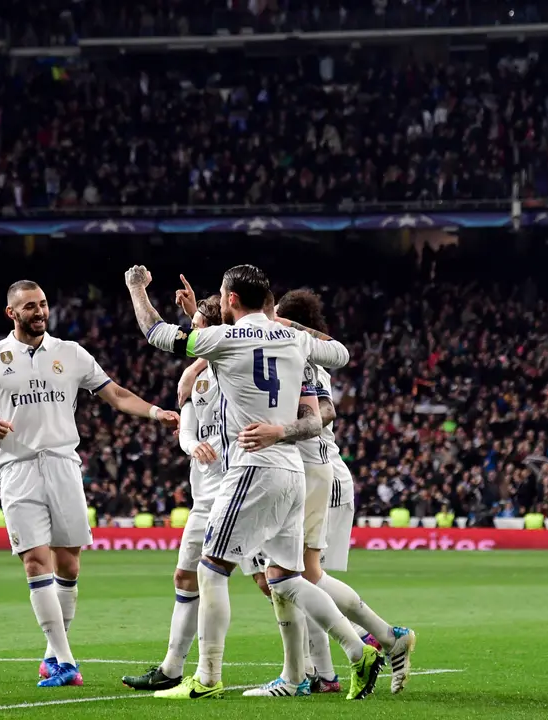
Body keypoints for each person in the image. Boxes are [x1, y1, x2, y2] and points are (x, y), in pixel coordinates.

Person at [125, 263, 379, 702]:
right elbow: (340, 353)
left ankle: (206, 678)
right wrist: (280, 320)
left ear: (230, 301)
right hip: (291, 470)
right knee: (284, 578)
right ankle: (359, 650)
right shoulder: (295, 337)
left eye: (224, 296)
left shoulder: (223, 340)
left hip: (251, 467)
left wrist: (136, 290)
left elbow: (156, 332)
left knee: (211, 567)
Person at [0, 279, 179, 688]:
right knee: (35, 561)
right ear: (12, 313)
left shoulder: (71, 353)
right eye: (29, 306)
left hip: (63, 464)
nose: (39, 311)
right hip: (18, 468)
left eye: (43, 304)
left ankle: (51, 655)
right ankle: (65, 661)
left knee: (69, 563)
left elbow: (114, 394)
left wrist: (155, 413)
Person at [274, 288, 416, 697]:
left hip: (314, 471)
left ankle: (377, 640)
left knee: (301, 576)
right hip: (319, 471)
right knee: (302, 577)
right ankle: (330, 669)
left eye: (278, 316)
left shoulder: (301, 356)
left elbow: (326, 412)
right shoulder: (303, 355)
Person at [122, 280, 224, 692]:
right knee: (186, 576)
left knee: (273, 580)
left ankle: (323, 659)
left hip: (239, 489)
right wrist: (191, 444)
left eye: (197, 327)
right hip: (204, 495)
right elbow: (187, 428)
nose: (191, 335)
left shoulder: (235, 369)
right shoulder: (194, 380)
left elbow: (215, 345)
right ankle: (171, 669)